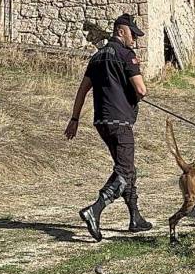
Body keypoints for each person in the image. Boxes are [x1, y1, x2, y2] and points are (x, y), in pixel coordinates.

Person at [65, 13, 153, 242]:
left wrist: (74, 119)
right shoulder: (126, 54)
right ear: (121, 31)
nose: (134, 39)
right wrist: (137, 93)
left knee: (127, 168)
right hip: (121, 121)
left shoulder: (96, 57)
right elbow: (141, 90)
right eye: (133, 34)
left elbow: (82, 90)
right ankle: (95, 210)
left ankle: (135, 218)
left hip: (101, 122)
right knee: (124, 170)